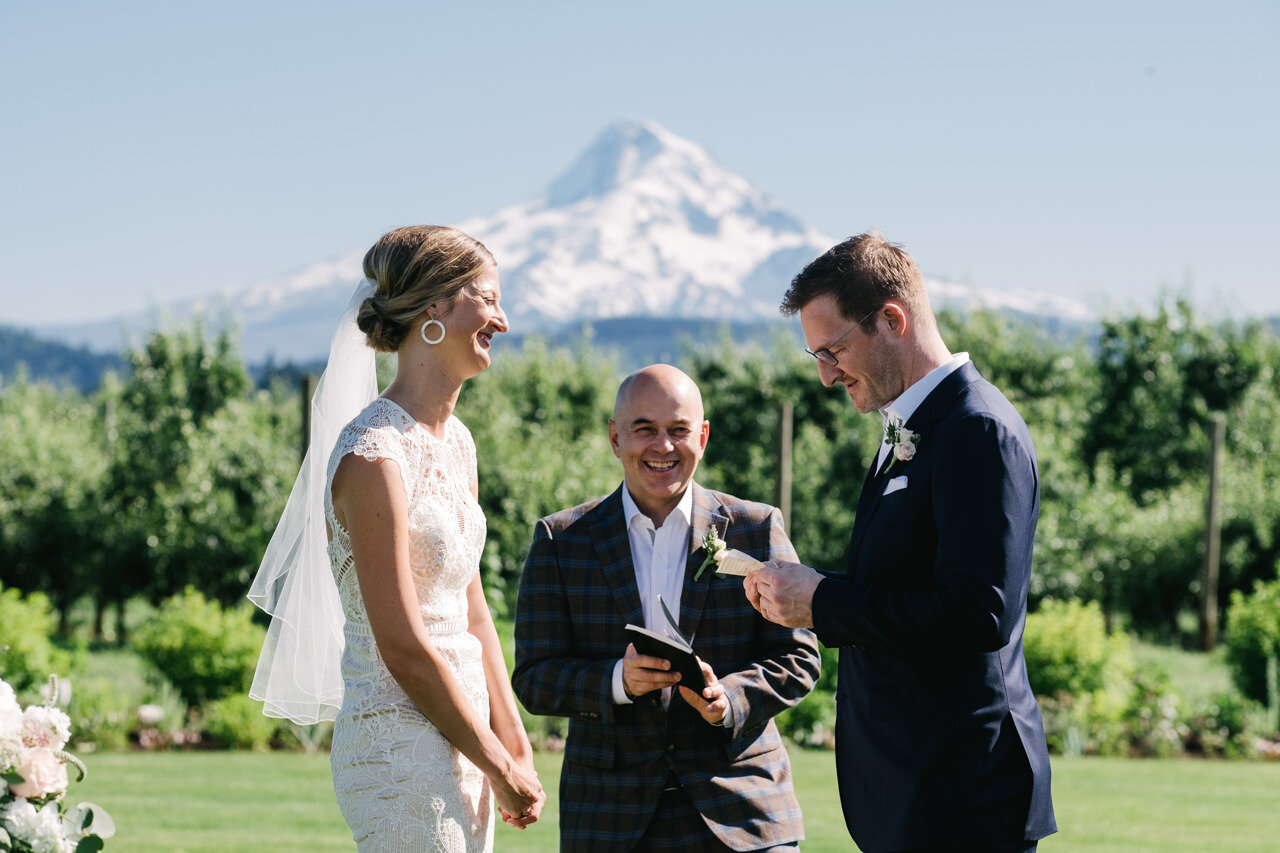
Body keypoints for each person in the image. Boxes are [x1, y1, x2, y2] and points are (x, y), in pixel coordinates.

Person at [745, 233, 1057, 853]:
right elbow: (908, 580)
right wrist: (807, 590)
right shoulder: (912, 426)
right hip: (911, 789)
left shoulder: (976, 429)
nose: (826, 376)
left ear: (892, 319)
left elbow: (978, 612)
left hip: (960, 791)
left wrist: (824, 602)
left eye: (832, 351)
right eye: (815, 356)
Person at [249, 225, 544, 851]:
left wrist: (512, 741)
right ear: (434, 307)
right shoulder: (374, 454)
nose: (504, 320)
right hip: (399, 743)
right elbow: (403, 644)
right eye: (488, 299)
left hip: (467, 739)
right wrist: (495, 757)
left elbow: (474, 613)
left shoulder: (457, 442)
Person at [512, 364, 821, 852]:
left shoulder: (755, 528)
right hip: (611, 819)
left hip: (743, 811)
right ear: (615, 438)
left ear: (702, 436)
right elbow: (533, 677)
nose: (663, 446)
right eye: (644, 429)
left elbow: (799, 657)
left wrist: (731, 700)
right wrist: (617, 680)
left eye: (679, 430)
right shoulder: (561, 540)